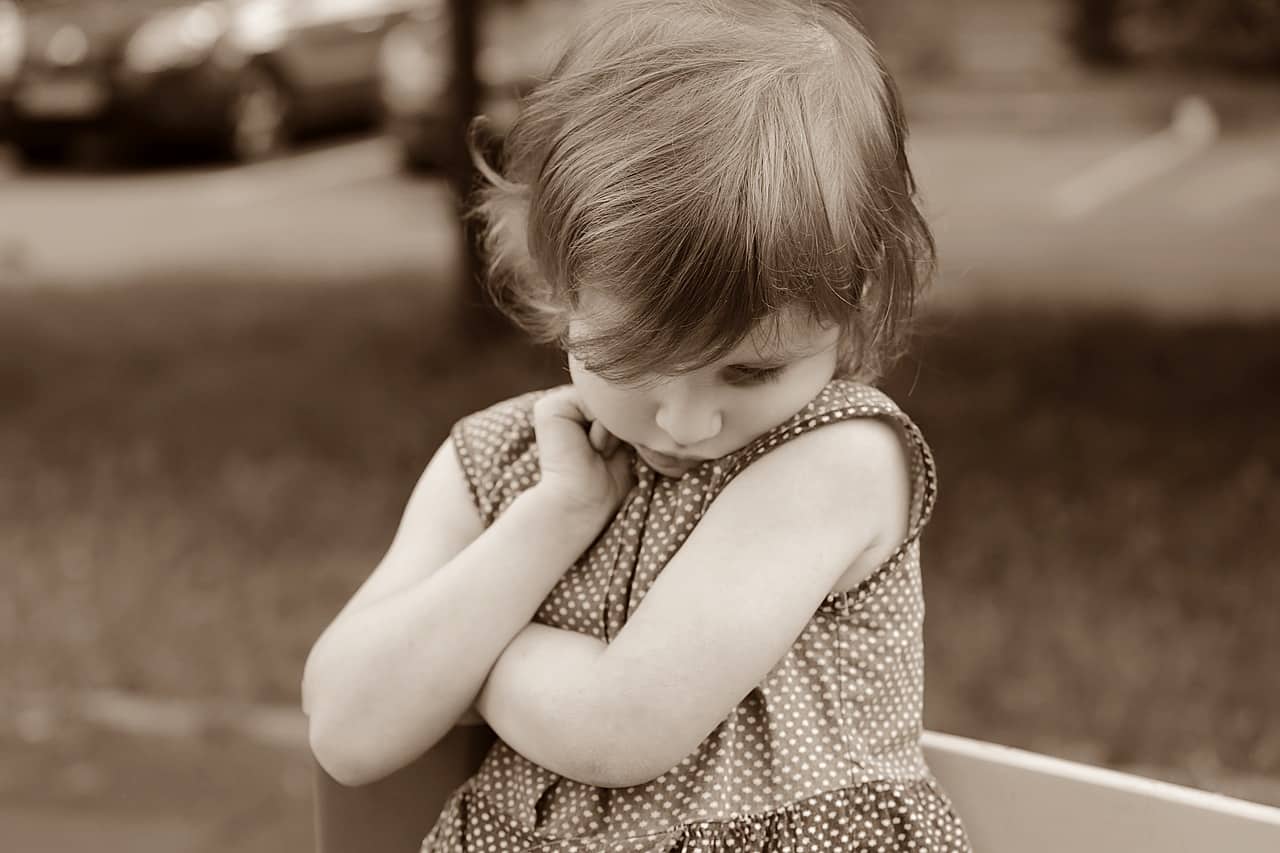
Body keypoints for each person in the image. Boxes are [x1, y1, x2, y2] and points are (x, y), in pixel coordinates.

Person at [303, 0, 971, 849]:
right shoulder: (499, 462)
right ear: (558, 284)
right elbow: (348, 728)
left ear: (853, 305)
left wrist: (456, 660)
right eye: (631, 361)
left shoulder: (836, 457)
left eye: (753, 371)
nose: (687, 420)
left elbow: (621, 725)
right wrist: (555, 516)